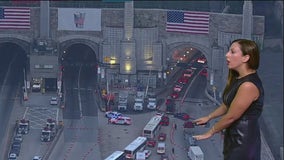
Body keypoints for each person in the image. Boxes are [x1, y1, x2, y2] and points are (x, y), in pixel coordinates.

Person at [193, 39, 264, 160]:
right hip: (234, 137)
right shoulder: (239, 79)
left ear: (245, 58)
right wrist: (209, 117)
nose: (227, 55)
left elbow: (231, 116)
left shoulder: (248, 86)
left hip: (244, 140)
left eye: (232, 52)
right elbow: (227, 105)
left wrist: (211, 132)